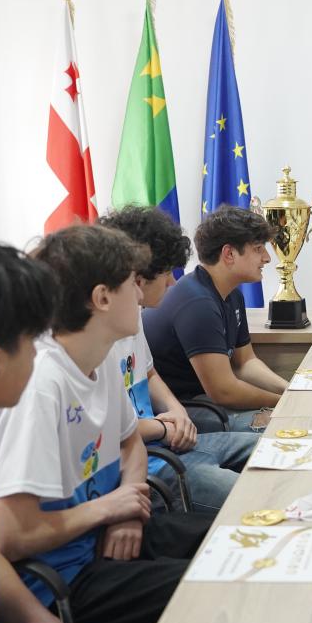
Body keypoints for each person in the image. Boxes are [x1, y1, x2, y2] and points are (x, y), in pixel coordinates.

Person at [0, 240, 182, 623]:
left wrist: (38, 622)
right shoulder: (45, 385)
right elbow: (10, 537)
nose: (42, 352)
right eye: (32, 340)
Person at [0, 225, 212, 623]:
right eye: (131, 283)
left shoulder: (102, 357)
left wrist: (126, 509)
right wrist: (109, 509)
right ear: (102, 298)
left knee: (231, 546)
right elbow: (11, 535)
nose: (141, 295)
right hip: (62, 580)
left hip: (103, 536)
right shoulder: (41, 386)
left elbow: (131, 443)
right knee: (213, 593)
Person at [98, 207, 259, 513]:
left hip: (169, 441)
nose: (172, 283)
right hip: (151, 462)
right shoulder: (97, 343)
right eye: (166, 274)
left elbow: (149, 373)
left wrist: (176, 411)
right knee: (260, 498)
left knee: (279, 448)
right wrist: (162, 427)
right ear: (138, 278)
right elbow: (106, 430)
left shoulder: (133, 317)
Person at [143, 206, 287, 433]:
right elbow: (223, 391)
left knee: (286, 414)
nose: (267, 258)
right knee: (280, 425)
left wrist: (289, 389)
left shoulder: (232, 294)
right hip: (176, 410)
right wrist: (283, 402)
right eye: (258, 249)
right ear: (229, 254)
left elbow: (244, 363)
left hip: (202, 399)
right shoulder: (197, 302)